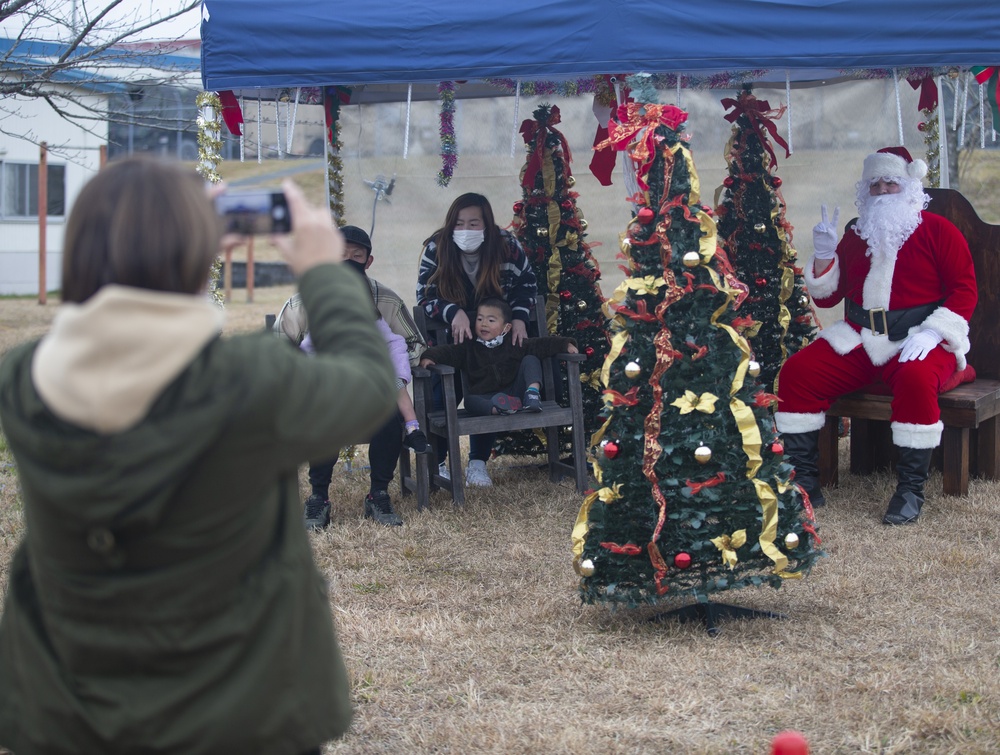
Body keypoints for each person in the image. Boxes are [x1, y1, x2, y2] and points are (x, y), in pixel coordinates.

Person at [0, 157, 398, 754]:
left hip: (74, 717)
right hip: (241, 717)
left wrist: (173, 239)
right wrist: (322, 270)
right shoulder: (247, 382)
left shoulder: (23, 383)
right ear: (198, 256)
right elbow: (368, 386)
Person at [775, 147, 977, 525]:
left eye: (891, 182)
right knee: (798, 373)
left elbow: (965, 290)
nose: (883, 190)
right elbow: (829, 295)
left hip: (919, 336)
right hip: (859, 335)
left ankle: (910, 489)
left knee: (917, 379)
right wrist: (822, 257)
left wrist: (935, 332)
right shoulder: (856, 233)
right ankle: (803, 480)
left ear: (909, 186)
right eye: (875, 184)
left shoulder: (938, 231)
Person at [275, 225, 426, 529]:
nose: (348, 260)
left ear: (368, 261)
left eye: (357, 256)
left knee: (388, 416)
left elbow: (412, 342)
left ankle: (378, 495)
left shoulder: (385, 300)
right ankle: (318, 499)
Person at [416, 192, 538, 487]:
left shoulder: (506, 246)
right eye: (459, 223)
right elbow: (424, 297)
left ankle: (477, 463)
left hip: (492, 343)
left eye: (473, 223)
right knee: (438, 396)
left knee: (486, 389)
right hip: (451, 340)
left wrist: (519, 317)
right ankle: (439, 462)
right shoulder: (436, 247)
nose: (466, 230)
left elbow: (527, 284)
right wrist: (453, 312)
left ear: (486, 224)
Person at [419, 298, 577, 481]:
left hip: (515, 392)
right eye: (479, 319)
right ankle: (498, 408)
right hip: (485, 398)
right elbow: (447, 352)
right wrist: (429, 356)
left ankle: (532, 394)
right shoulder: (469, 347)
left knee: (531, 359)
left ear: (506, 328)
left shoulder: (514, 343)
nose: (483, 324)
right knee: (470, 401)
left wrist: (566, 344)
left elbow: (542, 344)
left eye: (491, 320)